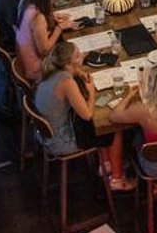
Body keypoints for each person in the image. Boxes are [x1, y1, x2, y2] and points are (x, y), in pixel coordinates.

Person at [35, 40, 133, 190]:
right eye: (77, 55)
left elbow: (71, 73)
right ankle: (117, 179)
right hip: (62, 140)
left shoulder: (54, 70)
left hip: (48, 133)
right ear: (68, 63)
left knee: (100, 124)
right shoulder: (67, 82)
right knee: (113, 128)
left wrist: (79, 72)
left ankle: (106, 164)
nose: (82, 55)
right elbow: (87, 115)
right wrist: (91, 91)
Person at [14, 0, 73, 82]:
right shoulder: (38, 18)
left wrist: (52, 16)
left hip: (25, 59)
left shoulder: (27, 2)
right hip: (37, 69)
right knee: (74, 60)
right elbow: (45, 50)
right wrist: (59, 28)